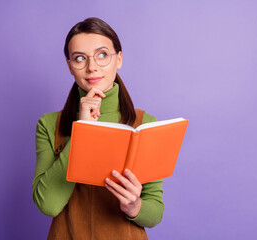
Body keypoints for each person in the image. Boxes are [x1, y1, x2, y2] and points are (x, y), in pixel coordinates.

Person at [32, 17, 164, 239]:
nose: (92, 67)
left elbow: (155, 212)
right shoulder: (49, 124)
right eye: (80, 58)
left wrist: (134, 206)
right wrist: (82, 131)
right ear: (69, 66)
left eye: (102, 55)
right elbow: (48, 205)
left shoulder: (146, 124)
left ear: (118, 59)